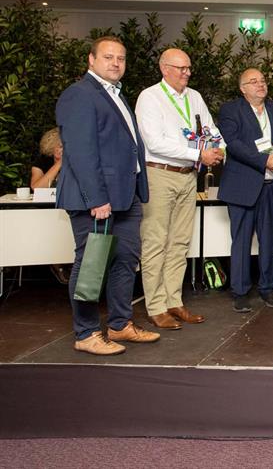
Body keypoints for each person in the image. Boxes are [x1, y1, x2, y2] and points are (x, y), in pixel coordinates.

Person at [55, 36, 159, 355]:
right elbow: (81, 152)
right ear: (91, 59)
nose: (116, 63)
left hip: (126, 197)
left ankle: (119, 325)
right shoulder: (80, 94)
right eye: (108, 57)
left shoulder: (116, 94)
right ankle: (86, 333)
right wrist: (97, 198)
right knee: (92, 264)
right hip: (97, 200)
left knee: (125, 262)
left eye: (121, 58)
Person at [135, 48, 223, 330]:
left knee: (180, 241)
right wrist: (199, 154)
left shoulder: (194, 96)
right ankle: (156, 306)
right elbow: (154, 142)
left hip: (188, 175)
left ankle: (174, 301)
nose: (187, 73)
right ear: (165, 69)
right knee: (156, 241)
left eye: (188, 68)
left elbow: (210, 128)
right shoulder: (150, 97)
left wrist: (219, 148)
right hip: (159, 174)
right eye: (181, 68)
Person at [217, 68, 273, 313]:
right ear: (242, 88)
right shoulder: (231, 110)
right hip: (243, 186)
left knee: (269, 240)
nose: (260, 84)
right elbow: (234, 144)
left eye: (262, 80)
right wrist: (265, 161)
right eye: (253, 82)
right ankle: (240, 292)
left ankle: (268, 288)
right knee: (241, 241)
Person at [31, 127, 71, 284]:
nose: (60, 150)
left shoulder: (77, 160)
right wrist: (59, 164)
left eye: (63, 146)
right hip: (45, 209)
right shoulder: (43, 161)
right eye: (57, 146)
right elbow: (37, 187)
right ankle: (57, 263)